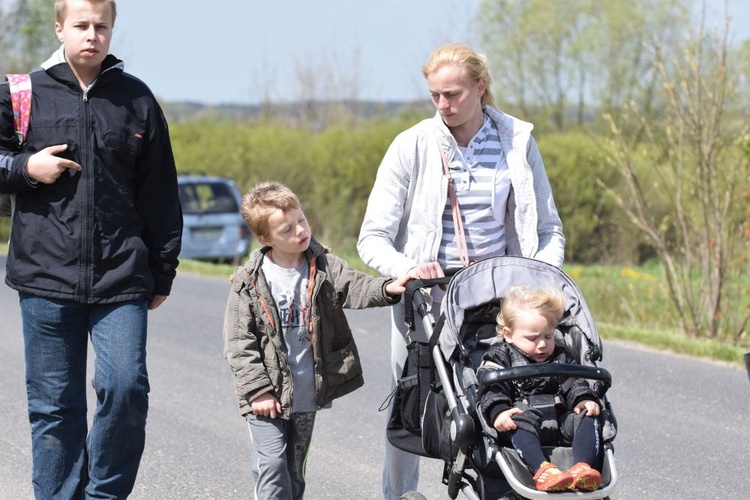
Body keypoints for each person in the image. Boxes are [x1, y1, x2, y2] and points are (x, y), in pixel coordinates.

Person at [356, 42, 565, 499]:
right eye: (435, 95)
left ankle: (511, 482)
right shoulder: (412, 145)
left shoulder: (517, 142)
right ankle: (399, 494)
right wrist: (407, 268)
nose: (443, 105)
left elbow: (548, 228)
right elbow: (372, 237)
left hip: (501, 297)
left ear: (481, 87)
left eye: (453, 94)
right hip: (429, 298)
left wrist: (542, 280)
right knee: (410, 402)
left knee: (505, 391)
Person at [0, 0, 182, 497]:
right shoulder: (20, 94)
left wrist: (162, 270)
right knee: (55, 407)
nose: (91, 35)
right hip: (44, 277)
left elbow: (161, 193)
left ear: (112, 30)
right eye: (81, 25)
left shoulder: (137, 100)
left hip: (121, 277)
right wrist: (24, 169)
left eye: (101, 26)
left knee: (125, 389)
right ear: (60, 28)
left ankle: (103, 494)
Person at [222, 181, 415, 500]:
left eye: (302, 220)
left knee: (293, 470)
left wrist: (387, 289)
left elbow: (353, 286)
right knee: (271, 465)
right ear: (266, 238)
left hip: (307, 391)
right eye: (287, 229)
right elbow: (238, 342)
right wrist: (257, 390)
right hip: (265, 395)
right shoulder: (249, 281)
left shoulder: (323, 264)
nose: (300, 230)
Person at [478, 285, 602, 492]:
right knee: (516, 421)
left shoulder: (561, 355)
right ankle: (543, 471)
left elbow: (573, 382)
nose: (542, 345)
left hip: (561, 420)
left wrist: (582, 399)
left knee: (588, 416)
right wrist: (499, 412)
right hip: (522, 420)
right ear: (508, 334)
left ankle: (581, 468)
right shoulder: (499, 356)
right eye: (532, 338)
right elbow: (492, 389)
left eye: (548, 336)